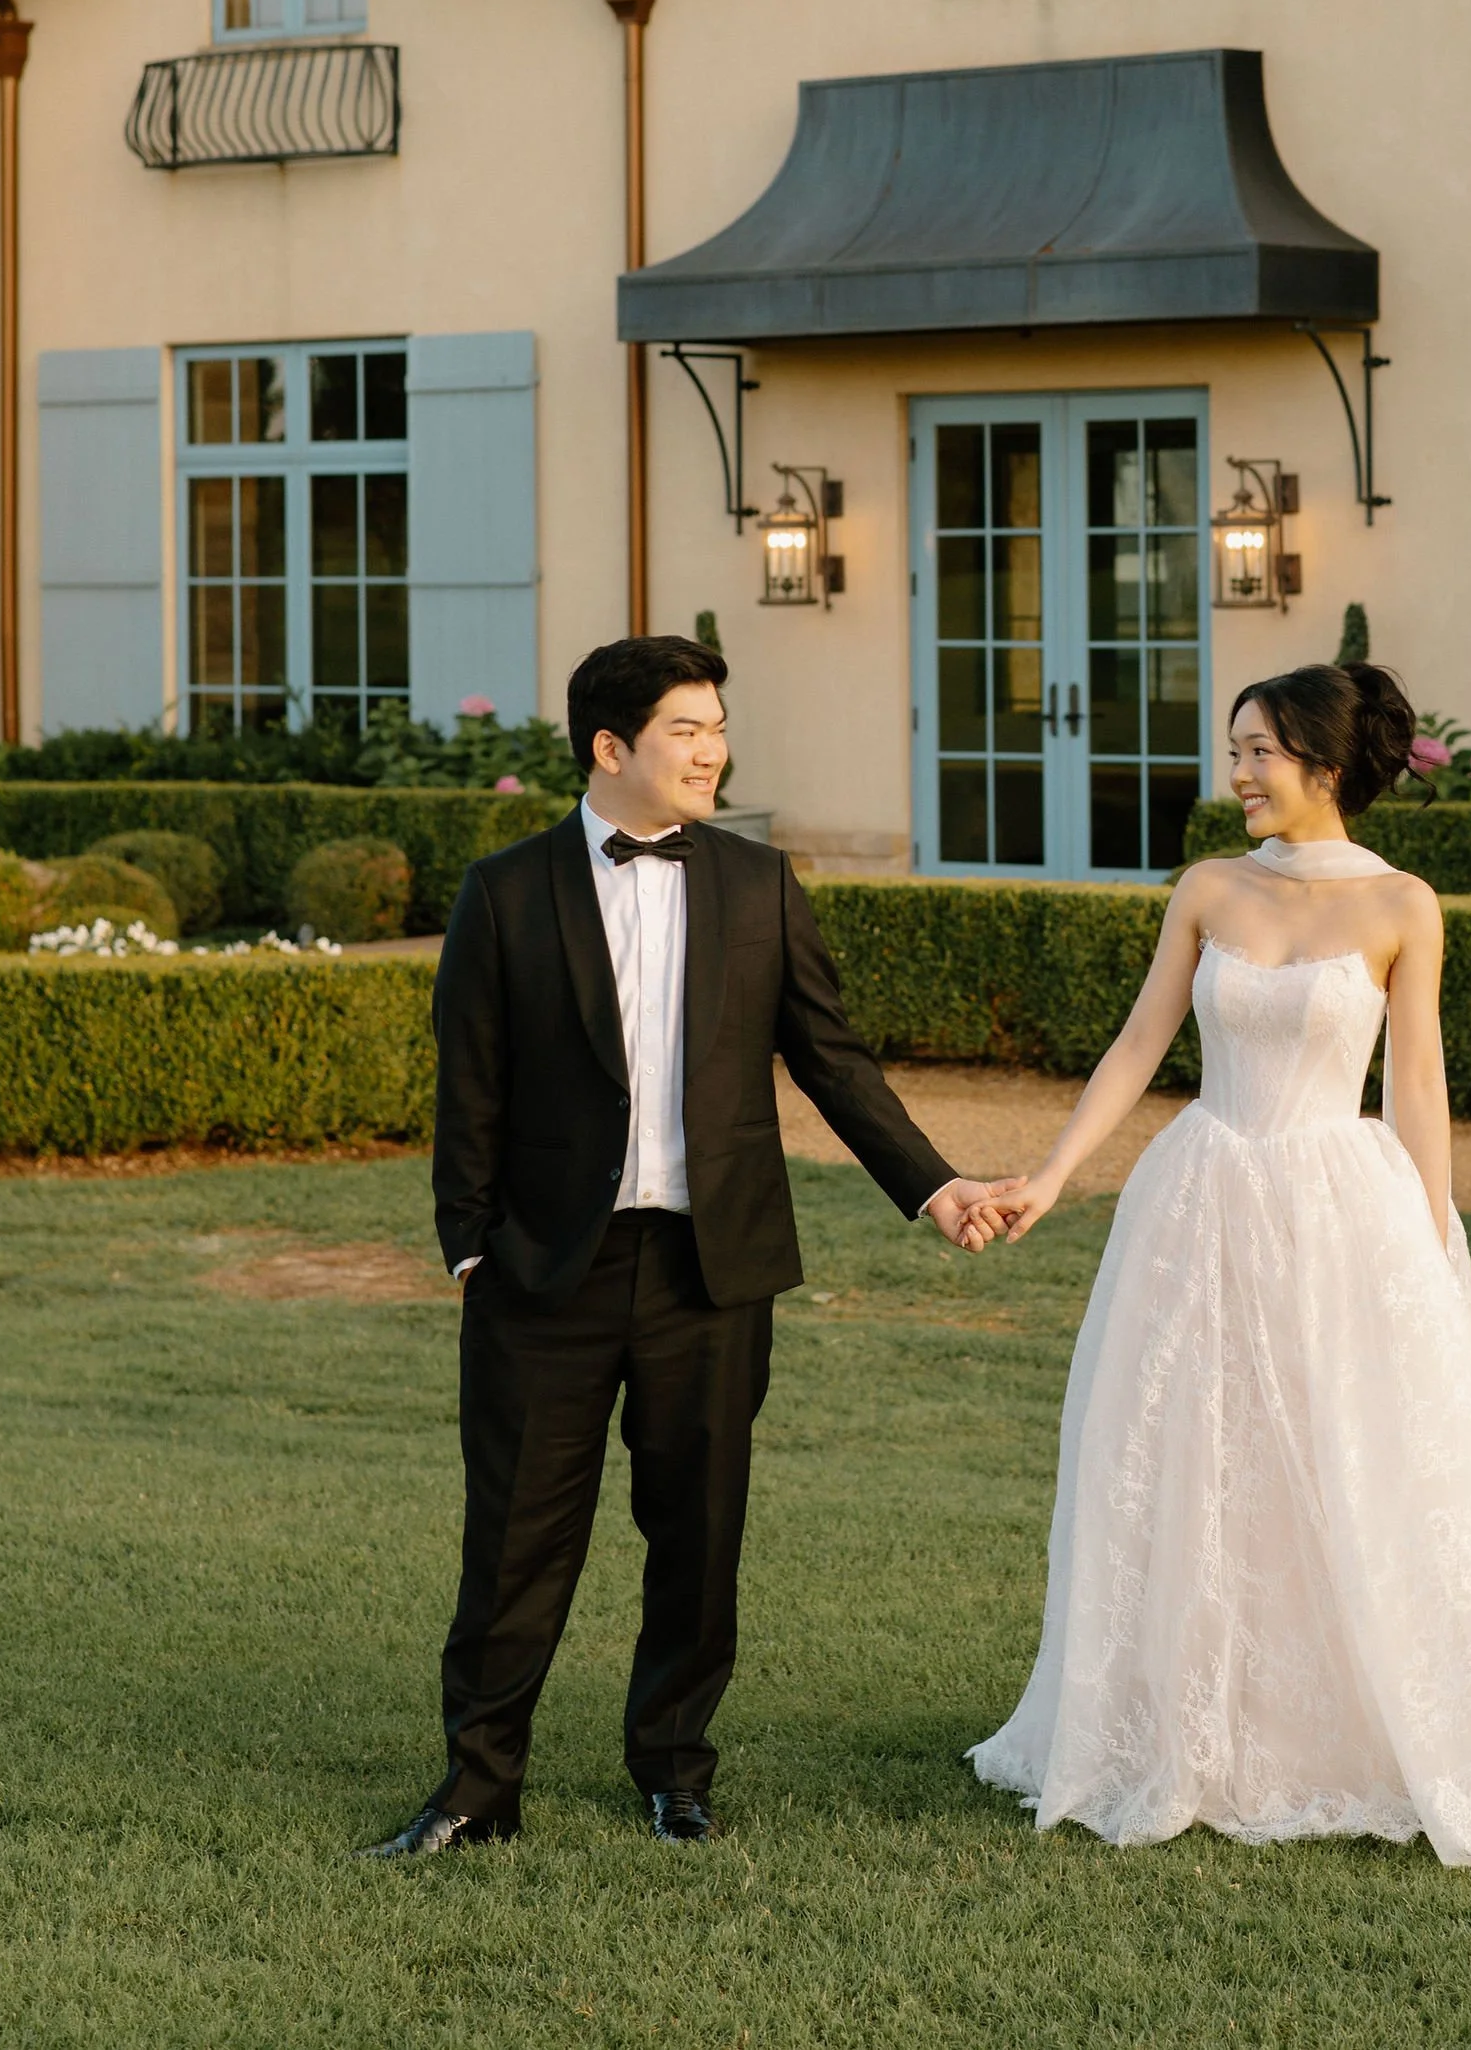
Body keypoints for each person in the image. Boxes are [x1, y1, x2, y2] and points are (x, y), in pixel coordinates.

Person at [966, 662, 1471, 1867]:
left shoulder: (1403, 905)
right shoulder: (1205, 888)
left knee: (1350, 1457)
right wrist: (1048, 1176)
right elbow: (1138, 1042)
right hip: (1200, 1196)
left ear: (1322, 764)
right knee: (1196, 1450)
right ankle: (1196, 1725)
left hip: (1336, 1211)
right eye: (1234, 747)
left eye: (1257, 750)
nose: (1238, 772)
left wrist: (1432, 1240)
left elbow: (1417, 1085)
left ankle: (1352, 1732)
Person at [365, 633, 1016, 1858]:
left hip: (712, 1273)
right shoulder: (505, 891)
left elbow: (831, 1058)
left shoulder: (756, 884)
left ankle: (673, 1770)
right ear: (610, 748)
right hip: (542, 1274)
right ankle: (476, 1786)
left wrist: (931, 1187)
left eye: (718, 729)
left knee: (698, 1532)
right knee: (513, 1541)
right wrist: (468, 1249)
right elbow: (471, 1085)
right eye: (686, 731)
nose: (712, 751)